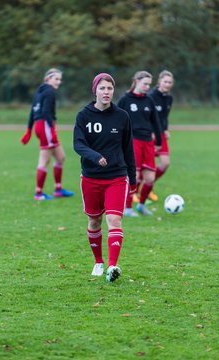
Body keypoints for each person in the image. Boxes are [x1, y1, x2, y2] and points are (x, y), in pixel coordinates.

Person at [73, 73, 136, 283]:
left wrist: (133, 179)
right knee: (94, 220)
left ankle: (112, 266)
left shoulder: (122, 116)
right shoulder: (83, 115)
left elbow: (128, 150)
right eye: (102, 88)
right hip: (91, 177)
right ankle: (99, 261)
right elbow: (78, 144)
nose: (106, 92)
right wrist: (95, 156)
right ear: (95, 91)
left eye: (110, 88)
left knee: (114, 219)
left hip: (117, 177)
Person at [20, 68, 74, 200]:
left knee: (60, 157)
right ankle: (38, 193)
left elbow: (33, 111)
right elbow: (45, 112)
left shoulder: (39, 91)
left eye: (60, 79)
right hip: (45, 126)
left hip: (41, 126)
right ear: (48, 79)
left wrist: (29, 129)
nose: (59, 82)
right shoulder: (49, 91)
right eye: (56, 79)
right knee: (45, 160)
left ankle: (58, 190)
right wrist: (51, 129)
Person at [117, 70, 162, 217]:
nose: (147, 87)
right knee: (133, 175)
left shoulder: (149, 100)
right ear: (136, 81)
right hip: (132, 141)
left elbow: (155, 121)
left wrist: (159, 141)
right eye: (145, 84)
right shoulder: (125, 100)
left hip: (148, 142)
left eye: (149, 84)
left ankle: (141, 205)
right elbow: (117, 120)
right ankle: (128, 208)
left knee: (150, 178)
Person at [147, 70, 174, 200]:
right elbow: (146, 116)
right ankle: (137, 192)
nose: (167, 84)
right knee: (148, 166)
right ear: (159, 82)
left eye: (170, 82)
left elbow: (164, 117)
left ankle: (148, 186)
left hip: (161, 134)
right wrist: (151, 131)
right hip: (150, 135)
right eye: (165, 81)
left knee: (165, 163)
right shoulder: (151, 96)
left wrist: (166, 129)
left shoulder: (169, 98)